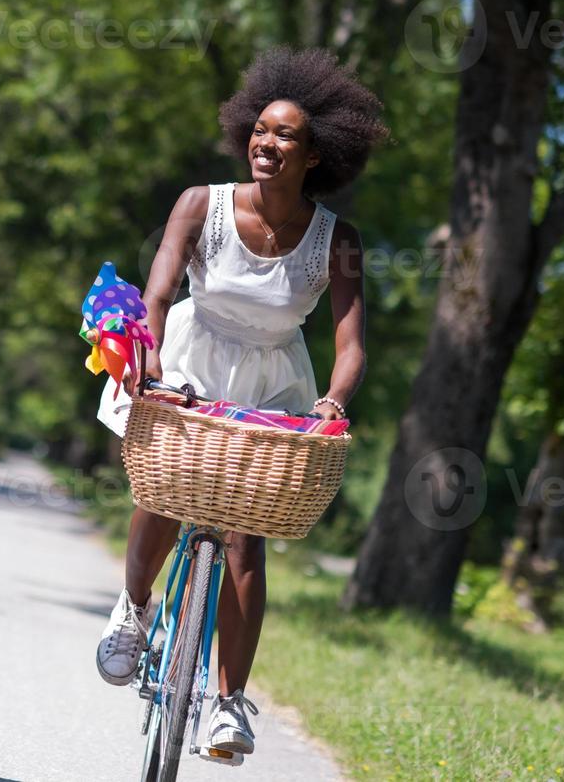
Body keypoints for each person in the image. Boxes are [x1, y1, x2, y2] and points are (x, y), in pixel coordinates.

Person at [93, 47, 387, 756]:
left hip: (271, 381)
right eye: (261, 129)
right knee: (161, 493)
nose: (268, 143)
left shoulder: (334, 240)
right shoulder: (203, 204)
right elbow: (159, 289)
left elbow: (350, 345)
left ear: (314, 155)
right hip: (188, 358)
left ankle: (227, 703)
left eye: (286, 135)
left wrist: (333, 400)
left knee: (244, 533)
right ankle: (133, 610)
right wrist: (151, 352)